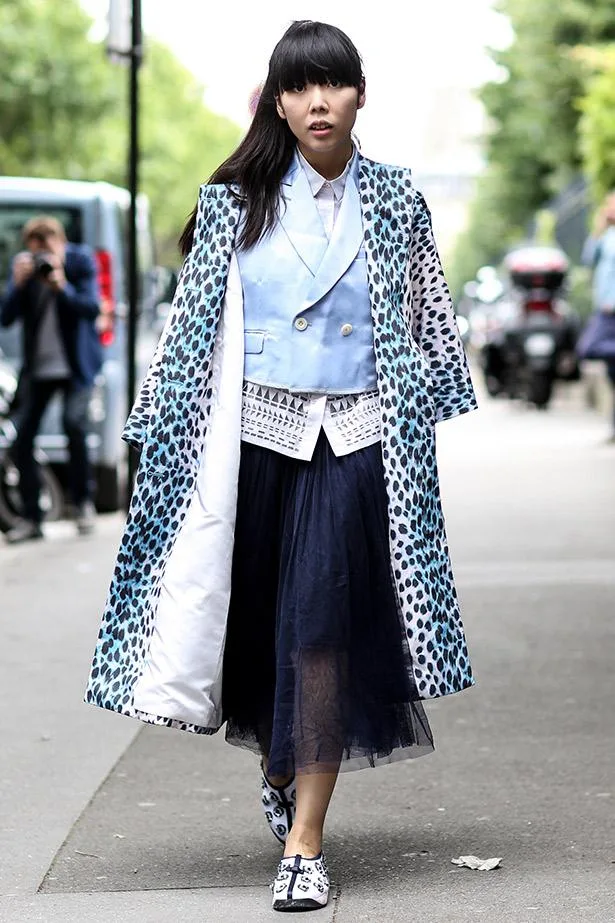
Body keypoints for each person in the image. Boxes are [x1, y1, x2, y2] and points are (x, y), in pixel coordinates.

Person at [85, 20, 477, 912]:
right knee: (260, 631)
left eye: (332, 84)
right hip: (251, 447)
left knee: (321, 631)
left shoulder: (398, 200)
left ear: (359, 94)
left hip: (354, 445)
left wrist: (415, 423)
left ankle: (305, 842)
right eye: (298, 87)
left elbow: (427, 323)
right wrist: (158, 443)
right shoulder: (234, 201)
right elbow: (189, 337)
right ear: (277, 102)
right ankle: (279, 764)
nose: (316, 102)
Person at [0, 216, 101, 543]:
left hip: (75, 367)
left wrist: (61, 284)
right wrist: (16, 284)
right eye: (36, 248)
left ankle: (83, 503)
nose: (42, 256)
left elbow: (91, 308)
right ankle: (32, 517)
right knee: (21, 438)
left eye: (48, 246)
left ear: (60, 241)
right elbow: (6, 317)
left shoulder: (80, 261)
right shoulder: (26, 270)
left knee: (75, 425)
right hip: (39, 369)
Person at [579, 192, 615, 441]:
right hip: (606, 308)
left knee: (589, 347)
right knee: (612, 371)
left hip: (612, 308)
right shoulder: (606, 237)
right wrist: (600, 226)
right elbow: (587, 259)